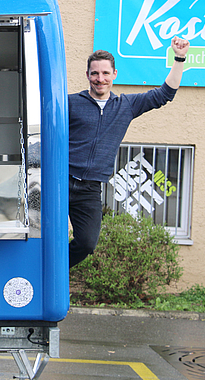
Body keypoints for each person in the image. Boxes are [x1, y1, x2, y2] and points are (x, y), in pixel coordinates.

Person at [68, 36, 190, 269]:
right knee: (43, 235)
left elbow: (165, 94)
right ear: (87, 76)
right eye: (95, 73)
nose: (100, 79)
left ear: (115, 74)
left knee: (86, 243)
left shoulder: (126, 105)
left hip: (90, 188)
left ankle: (54, 272)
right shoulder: (71, 103)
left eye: (105, 73)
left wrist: (179, 58)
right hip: (61, 180)